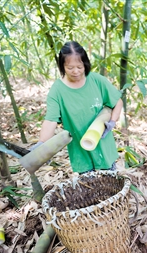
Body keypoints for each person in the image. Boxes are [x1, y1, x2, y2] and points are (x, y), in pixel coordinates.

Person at [33, 41, 123, 174]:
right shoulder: (57, 90)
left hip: (103, 144)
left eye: (79, 67)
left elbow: (117, 102)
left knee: (110, 183)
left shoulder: (96, 80)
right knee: (88, 188)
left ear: (85, 64)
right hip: (80, 149)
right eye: (70, 68)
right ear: (62, 66)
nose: (75, 71)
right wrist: (42, 144)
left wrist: (112, 122)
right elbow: (51, 120)